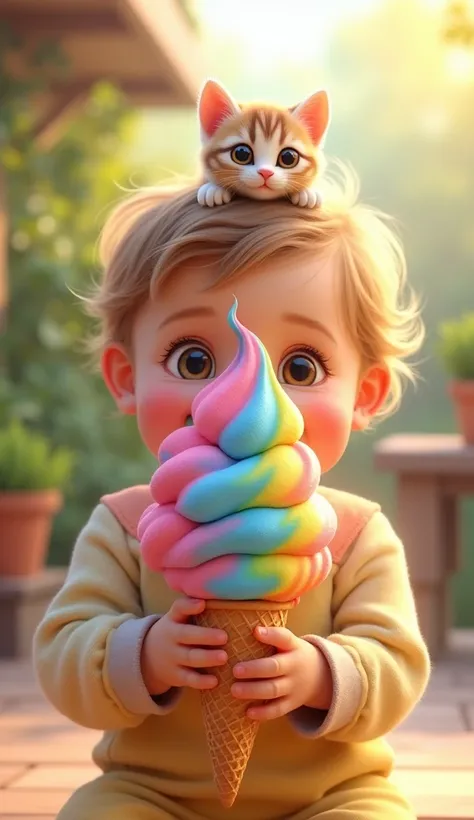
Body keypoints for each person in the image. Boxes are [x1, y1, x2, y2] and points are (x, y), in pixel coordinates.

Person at [34, 169, 430, 820]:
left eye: (299, 367)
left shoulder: (357, 534)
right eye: (194, 360)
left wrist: (326, 673)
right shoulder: (127, 528)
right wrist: (142, 654)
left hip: (329, 793)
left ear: (365, 394)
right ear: (126, 378)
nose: (246, 398)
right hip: (151, 793)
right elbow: (63, 652)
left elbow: (397, 662)